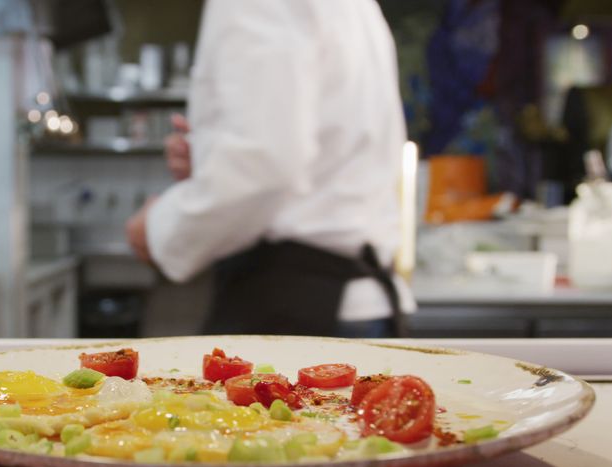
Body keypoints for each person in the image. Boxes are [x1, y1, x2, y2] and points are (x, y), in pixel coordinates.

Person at [125, 0, 415, 338]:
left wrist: (159, 228)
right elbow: (324, 142)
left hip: (298, 309)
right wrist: (210, 156)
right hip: (345, 303)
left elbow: (262, 163)